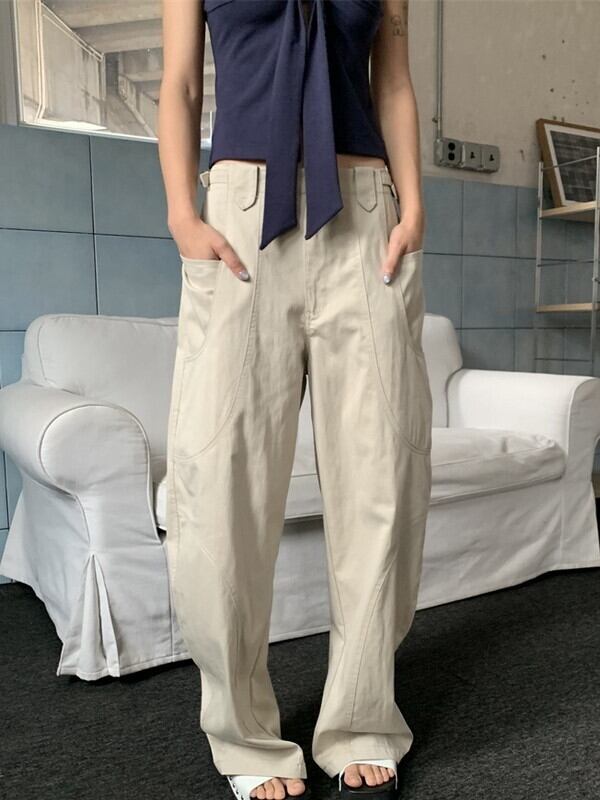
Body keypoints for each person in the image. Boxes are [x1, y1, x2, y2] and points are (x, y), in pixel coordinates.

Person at [158, 0, 432, 798]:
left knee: (383, 477)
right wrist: (182, 214)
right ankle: (244, 737)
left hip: (366, 216)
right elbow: (179, 83)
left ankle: (362, 722)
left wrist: (413, 206)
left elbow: (392, 80)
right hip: (239, 223)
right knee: (220, 485)